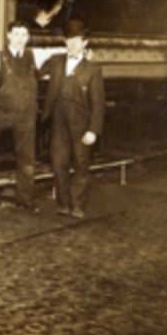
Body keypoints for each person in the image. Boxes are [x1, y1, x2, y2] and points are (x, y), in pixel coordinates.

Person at [0, 20, 53, 213]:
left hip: (27, 114)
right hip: (2, 111)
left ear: (28, 37)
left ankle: (26, 199)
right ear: (9, 36)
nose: (20, 39)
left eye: (24, 35)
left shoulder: (34, 55)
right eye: (16, 34)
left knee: (26, 158)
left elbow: (57, 55)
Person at [40, 19, 105, 219]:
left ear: (85, 43)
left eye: (77, 40)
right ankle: (63, 204)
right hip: (58, 121)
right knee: (58, 163)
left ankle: (77, 205)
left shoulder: (93, 69)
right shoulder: (56, 61)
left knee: (81, 164)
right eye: (69, 40)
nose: (72, 44)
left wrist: (93, 130)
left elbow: (98, 103)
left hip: (81, 123)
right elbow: (36, 71)